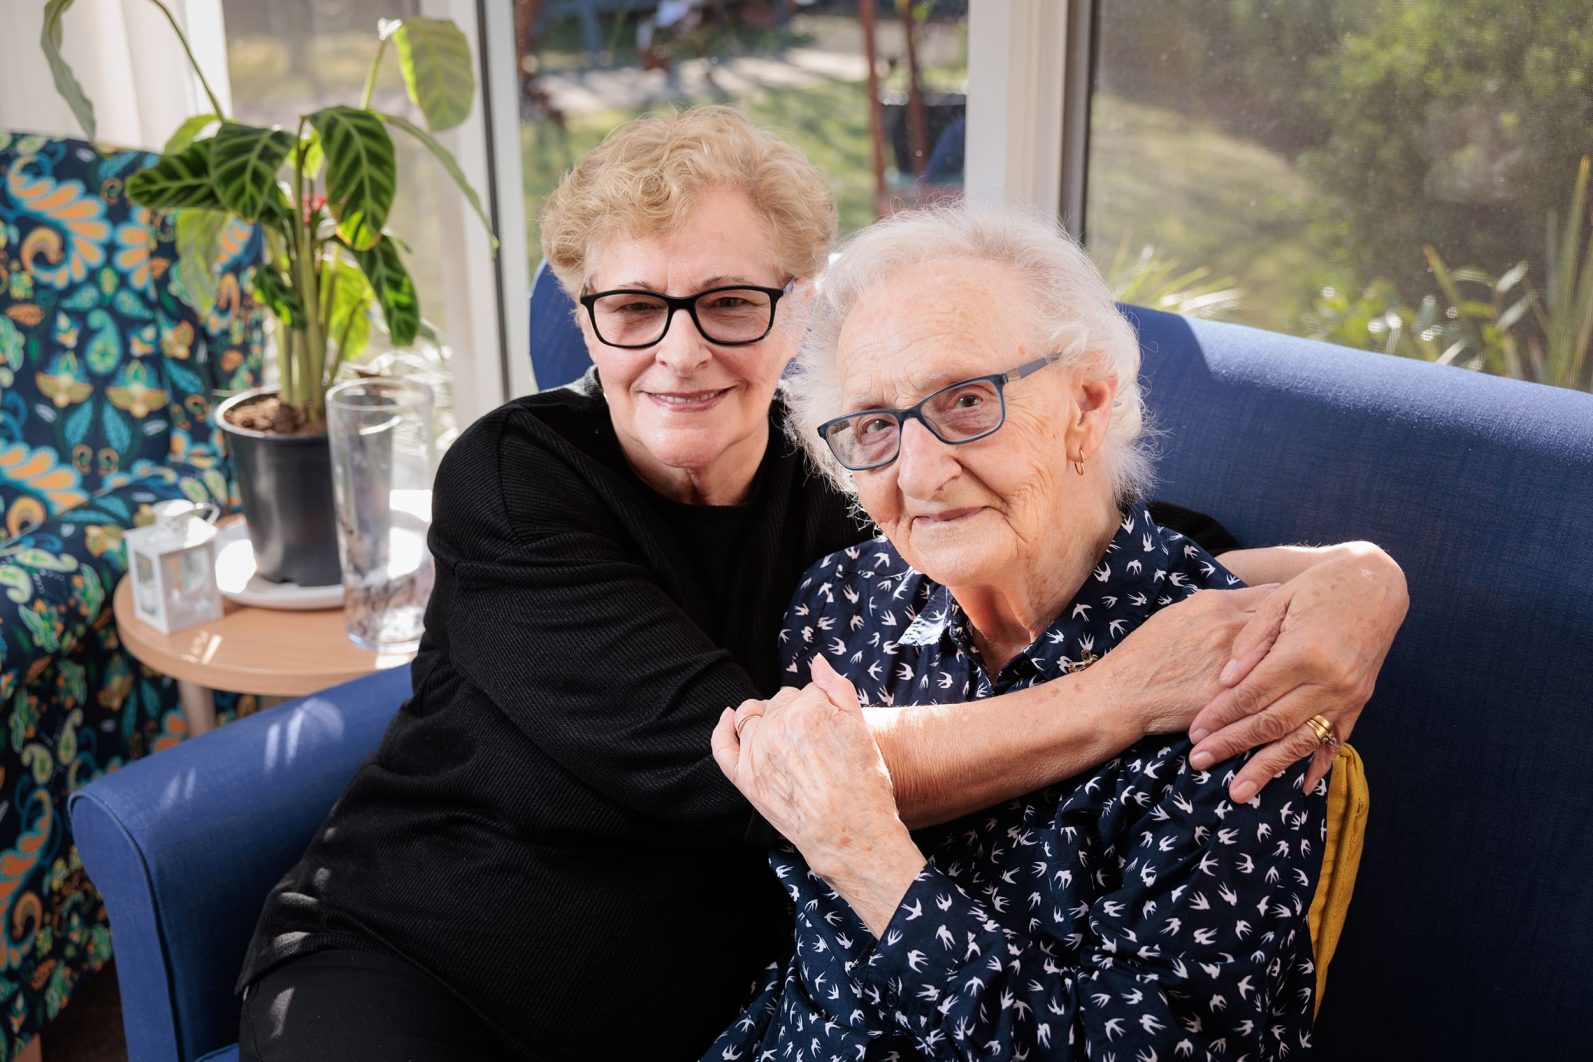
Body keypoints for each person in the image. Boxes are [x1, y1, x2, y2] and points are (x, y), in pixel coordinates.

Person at [235, 108, 1405, 1060]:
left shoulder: (863, 476)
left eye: (729, 303)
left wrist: (1360, 580)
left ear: (796, 307)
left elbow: (1094, 528)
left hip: (676, 1011)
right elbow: (752, 773)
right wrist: (1118, 694)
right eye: (633, 309)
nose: (680, 351)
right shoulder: (514, 479)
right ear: (586, 323)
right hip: (424, 958)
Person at [708, 206, 1345, 1060]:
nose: (920, 473)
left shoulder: (1236, 674)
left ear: (1087, 404)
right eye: (876, 426)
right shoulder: (844, 604)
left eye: (968, 401)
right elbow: (811, 981)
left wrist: (868, 859)